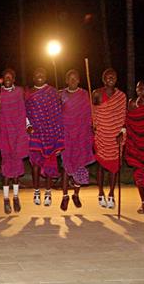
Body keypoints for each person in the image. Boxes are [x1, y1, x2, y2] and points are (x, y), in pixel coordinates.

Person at [25, 67, 64, 206]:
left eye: (42, 73)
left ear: (46, 76)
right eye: (36, 74)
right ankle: (36, 191)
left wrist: (59, 137)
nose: (39, 75)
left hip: (50, 133)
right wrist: (27, 125)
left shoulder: (53, 92)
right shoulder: (29, 93)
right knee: (35, 163)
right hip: (35, 132)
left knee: (49, 162)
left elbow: (58, 114)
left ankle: (48, 192)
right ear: (33, 77)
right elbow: (25, 112)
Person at [59, 69, 95, 211]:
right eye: (70, 79)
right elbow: (57, 113)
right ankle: (65, 196)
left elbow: (89, 114)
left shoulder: (85, 94)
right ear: (66, 80)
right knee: (66, 167)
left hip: (81, 136)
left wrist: (91, 127)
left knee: (80, 165)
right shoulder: (61, 94)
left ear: (79, 80)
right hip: (67, 136)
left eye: (75, 78)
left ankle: (76, 194)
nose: (73, 81)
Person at [92, 68, 126, 209]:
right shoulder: (96, 93)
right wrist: (93, 124)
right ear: (103, 79)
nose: (110, 78)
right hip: (101, 135)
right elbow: (93, 112)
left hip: (116, 136)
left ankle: (111, 194)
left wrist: (122, 132)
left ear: (116, 79)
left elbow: (124, 117)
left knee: (114, 168)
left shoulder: (121, 97)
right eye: (107, 77)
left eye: (113, 76)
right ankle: (100, 193)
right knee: (100, 165)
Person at [0, 68, 28, 214]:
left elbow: (23, 112)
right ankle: (5, 199)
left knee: (16, 170)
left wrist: (25, 130)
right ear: (2, 79)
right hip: (4, 136)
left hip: (17, 135)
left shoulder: (19, 92)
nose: (8, 79)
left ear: (14, 79)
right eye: (5, 77)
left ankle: (15, 197)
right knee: (6, 170)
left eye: (10, 77)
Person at [125, 80, 144, 214]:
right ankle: (143, 203)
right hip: (138, 145)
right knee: (139, 175)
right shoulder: (132, 103)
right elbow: (127, 120)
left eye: (143, 87)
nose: (140, 89)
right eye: (138, 87)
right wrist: (123, 133)